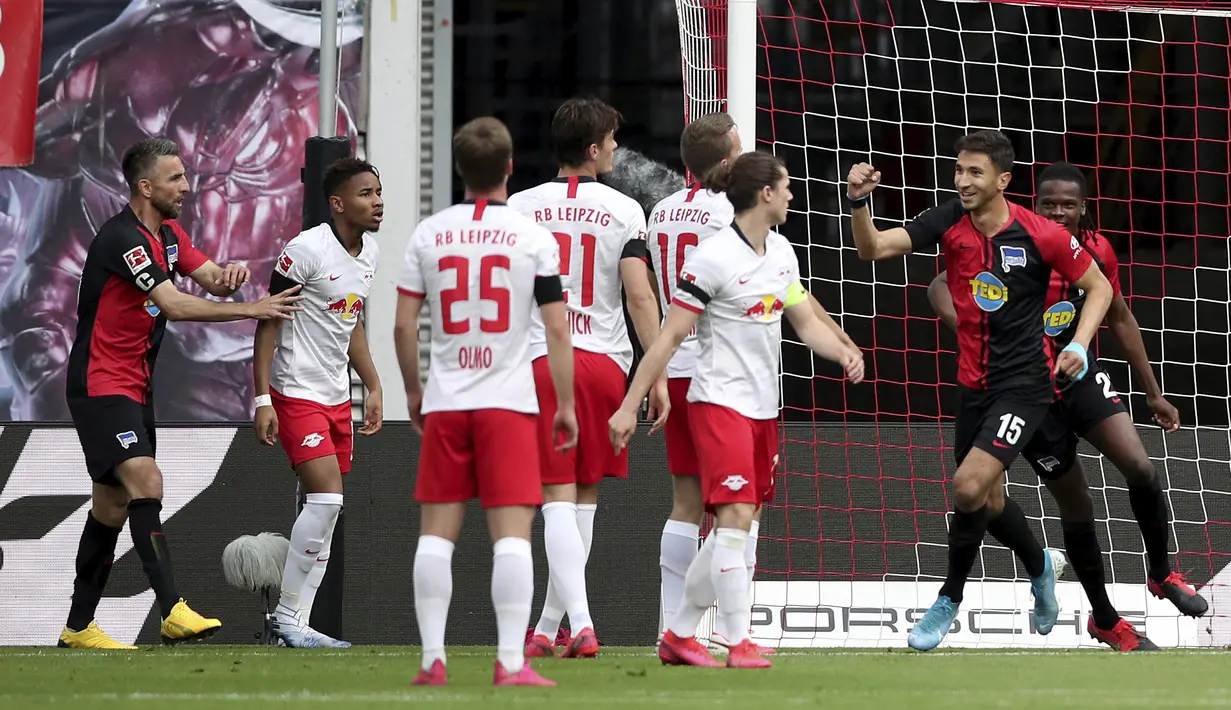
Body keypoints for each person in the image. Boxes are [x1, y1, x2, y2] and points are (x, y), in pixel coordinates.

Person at [845, 130, 1115, 652]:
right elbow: (872, 247)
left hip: (1026, 387)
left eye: (974, 173)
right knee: (988, 502)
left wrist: (1079, 345)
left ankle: (948, 598)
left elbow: (1099, 285)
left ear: (1003, 180)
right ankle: (1040, 564)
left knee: (968, 487)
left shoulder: (1042, 233)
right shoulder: (948, 221)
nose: (962, 181)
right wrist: (859, 201)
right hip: (972, 387)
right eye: (958, 171)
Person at [927, 161, 1207, 651]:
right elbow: (939, 287)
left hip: (1078, 376)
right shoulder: (1012, 243)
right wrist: (975, 332)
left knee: (1139, 465)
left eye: (1068, 204)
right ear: (1034, 205)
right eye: (1048, 203)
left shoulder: (1093, 251)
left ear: (1083, 209)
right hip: (1028, 392)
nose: (1057, 211)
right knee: (1075, 503)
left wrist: (1153, 391)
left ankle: (1162, 573)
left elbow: (1119, 317)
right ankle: (1104, 618)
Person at [611, 151, 864, 669]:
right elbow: (669, 337)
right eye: (786, 186)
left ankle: (680, 634)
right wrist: (628, 404)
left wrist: (841, 350)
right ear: (765, 194)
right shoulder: (711, 258)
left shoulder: (783, 252)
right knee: (732, 518)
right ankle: (737, 638)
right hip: (717, 402)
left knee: (740, 523)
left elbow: (803, 320)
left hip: (762, 409)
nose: (793, 195)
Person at [59, 137, 303, 649]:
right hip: (102, 384)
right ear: (146, 187)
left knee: (111, 506)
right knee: (145, 479)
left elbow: (210, 280)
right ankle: (172, 610)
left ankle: (78, 628)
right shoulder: (122, 239)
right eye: (176, 179)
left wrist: (229, 278)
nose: (187, 187)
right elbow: (174, 305)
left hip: (135, 386)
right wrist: (253, 309)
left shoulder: (167, 235)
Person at [396, 117, 578, 687]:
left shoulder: (429, 232)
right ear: (508, 168)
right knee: (512, 537)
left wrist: (414, 389)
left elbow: (404, 325)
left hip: (448, 400)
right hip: (510, 403)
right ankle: (509, 663)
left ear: (458, 170)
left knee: (434, 535)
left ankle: (432, 661)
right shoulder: (532, 237)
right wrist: (566, 405)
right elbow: (556, 331)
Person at [508, 97, 667, 659]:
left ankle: (579, 623)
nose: (617, 150)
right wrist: (658, 376)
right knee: (583, 503)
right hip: (604, 362)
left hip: (542, 360)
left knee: (555, 500)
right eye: (613, 141)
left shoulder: (520, 207)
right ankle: (552, 629)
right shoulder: (625, 209)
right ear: (595, 149)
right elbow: (640, 296)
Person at [252, 157, 385, 648]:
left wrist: (371, 384)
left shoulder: (369, 252)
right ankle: (287, 618)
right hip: (295, 390)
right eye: (367, 193)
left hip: (334, 395)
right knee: (327, 499)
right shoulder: (304, 250)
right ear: (337, 203)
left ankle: (295, 624)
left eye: (379, 192)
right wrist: (263, 396)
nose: (378, 202)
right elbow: (268, 321)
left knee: (326, 510)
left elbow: (351, 323)